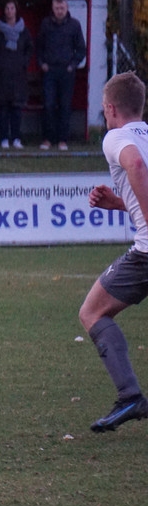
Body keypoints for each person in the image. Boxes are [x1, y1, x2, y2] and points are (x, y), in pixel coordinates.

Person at [80, 72, 148, 432]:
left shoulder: (116, 137)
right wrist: (120, 203)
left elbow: (135, 165)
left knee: (92, 312)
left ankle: (130, 396)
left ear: (110, 108)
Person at [37, 0, 87, 151]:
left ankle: (63, 140)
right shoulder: (45, 24)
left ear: (67, 8)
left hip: (67, 71)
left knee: (65, 106)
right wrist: (42, 64)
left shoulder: (74, 25)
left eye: (62, 8)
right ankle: (47, 139)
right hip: (49, 71)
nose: (59, 11)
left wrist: (73, 65)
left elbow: (81, 49)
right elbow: (38, 46)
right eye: (57, 8)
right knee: (49, 105)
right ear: (53, 8)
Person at [0, 0, 34, 149]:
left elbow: (30, 48)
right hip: (2, 76)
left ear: (16, 10)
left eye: (12, 8)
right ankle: (4, 139)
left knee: (17, 109)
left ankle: (16, 138)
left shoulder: (24, 31)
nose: (9, 11)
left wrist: (23, 62)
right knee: (3, 109)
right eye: (7, 8)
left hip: (18, 75)